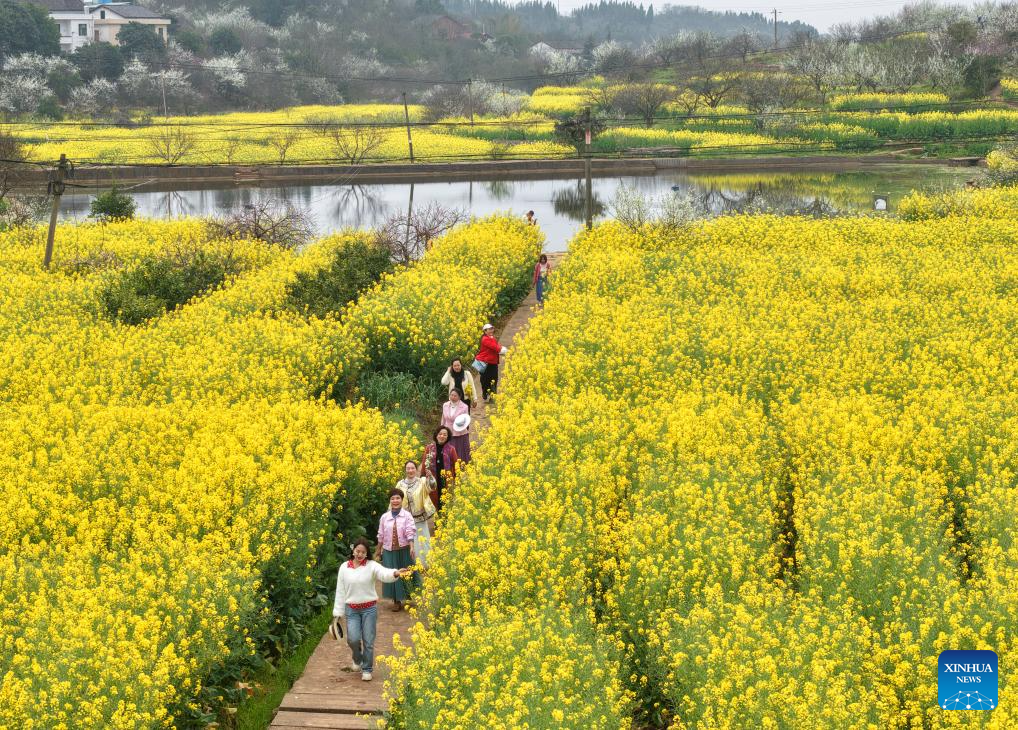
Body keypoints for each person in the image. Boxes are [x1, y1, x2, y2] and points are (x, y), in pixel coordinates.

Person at [332, 537, 411, 682]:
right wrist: (338, 614)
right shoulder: (344, 567)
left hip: (369, 609)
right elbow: (340, 591)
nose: (360, 554)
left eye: (363, 552)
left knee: (368, 640)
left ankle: (367, 669)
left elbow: (384, 573)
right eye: (357, 551)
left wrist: (395, 573)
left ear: (366, 553)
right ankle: (357, 659)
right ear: (353, 550)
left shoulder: (372, 566)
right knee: (353, 639)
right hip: (351, 610)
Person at [375, 489, 418, 611]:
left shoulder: (407, 515)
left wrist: (411, 546)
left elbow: (410, 531)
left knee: (406, 573)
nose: (395, 501)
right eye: (392, 498)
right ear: (390, 501)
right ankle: (396, 601)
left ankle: (409, 596)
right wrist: (378, 550)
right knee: (392, 575)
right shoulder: (384, 517)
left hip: (404, 550)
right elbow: (381, 535)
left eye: (398, 498)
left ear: (402, 500)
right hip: (389, 551)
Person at [395, 461, 436, 568]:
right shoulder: (400, 484)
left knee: (422, 539)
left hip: (419, 518)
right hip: (405, 518)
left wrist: (430, 477)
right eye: (408, 468)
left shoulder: (422, 481)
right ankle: (410, 564)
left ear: (416, 469)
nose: (410, 470)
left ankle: (425, 564)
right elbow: (395, 499)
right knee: (407, 540)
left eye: (412, 468)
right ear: (405, 470)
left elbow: (432, 487)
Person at [423, 425, 459, 510]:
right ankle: (436, 516)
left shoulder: (451, 449)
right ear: (436, 435)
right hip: (433, 479)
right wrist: (423, 476)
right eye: (440, 434)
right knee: (434, 499)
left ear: (447, 437)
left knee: (446, 501)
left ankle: (445, 516)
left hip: (446, 479)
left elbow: (456, 465)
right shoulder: (429, 448)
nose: (442, 436)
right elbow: (424, 463)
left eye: (445, 435)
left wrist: (457, 480)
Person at [473, 323, 507, 401]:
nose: (491, 330)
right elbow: (496, 348)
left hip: (493, 362)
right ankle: (485, 392)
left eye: (492, 329)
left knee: (494, 379)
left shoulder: (492, 338)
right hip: (485, 362)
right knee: (485, 379)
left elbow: (497, 346)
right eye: (489, 329)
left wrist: (501, 348)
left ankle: (492, 396)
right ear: (485, 331)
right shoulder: (485, 339)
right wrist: (503, 349)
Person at [441, 388, 472, 463]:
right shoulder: (445, 405)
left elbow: (465, 420)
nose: (453, 397)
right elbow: (443, 418)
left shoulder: (464, 407)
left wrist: (459, 427)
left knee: (458, 451)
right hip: (447, 432)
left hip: (459, 433)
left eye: (455, 396)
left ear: (459, 397)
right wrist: (441, 429)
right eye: (451, 395)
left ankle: (460, 465)